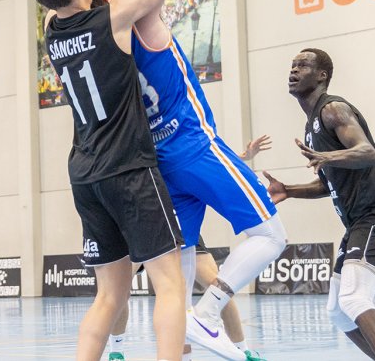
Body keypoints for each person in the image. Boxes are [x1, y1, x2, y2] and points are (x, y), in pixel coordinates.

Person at [78, 0, 287, 361]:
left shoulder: (108, 42)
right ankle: (209, 313)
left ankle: (181, 346)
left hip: (159, 163)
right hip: (194, 142)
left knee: (178, 272)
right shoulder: (145, 22)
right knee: (272, 236)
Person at [28, 0, 187, 361]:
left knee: (109, 295)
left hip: (84, 174)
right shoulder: (114, 15)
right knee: (170, 287)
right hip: (129, 170)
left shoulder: (53, 30)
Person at [263, 49, 375, 361]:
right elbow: (329, 184)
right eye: (292, 65)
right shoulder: (311, 126)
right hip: (359, 221)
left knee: (355, 298)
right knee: (339, 311)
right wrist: (289, 190)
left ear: (322, 76)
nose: (294, 70)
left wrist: (327, 157)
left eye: (303, 65)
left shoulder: (333, 110)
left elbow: (367, 152)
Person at [107, 140, 274, 361]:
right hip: (147, 221)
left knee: (218, 284)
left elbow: (203, 162)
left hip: (182, 222)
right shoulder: (132, 145)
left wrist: (242, 156)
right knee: (119, 289)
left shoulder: (173, 138)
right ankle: (116, 352)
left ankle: (243, 350)